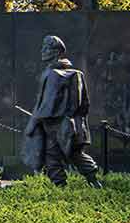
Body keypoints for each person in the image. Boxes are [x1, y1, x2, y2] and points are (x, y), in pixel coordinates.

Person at [23, 34, 102, 187]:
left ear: (57, 52)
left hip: (62, 124)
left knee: (72, 155)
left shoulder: (54, 74)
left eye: (46, 48)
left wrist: (35, 120)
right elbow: (84, 104)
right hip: (57, 124)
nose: (42, 51)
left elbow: (47, 104)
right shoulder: (61, 74)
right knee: (53, 157)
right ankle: (62, 187)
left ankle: (91, 182)